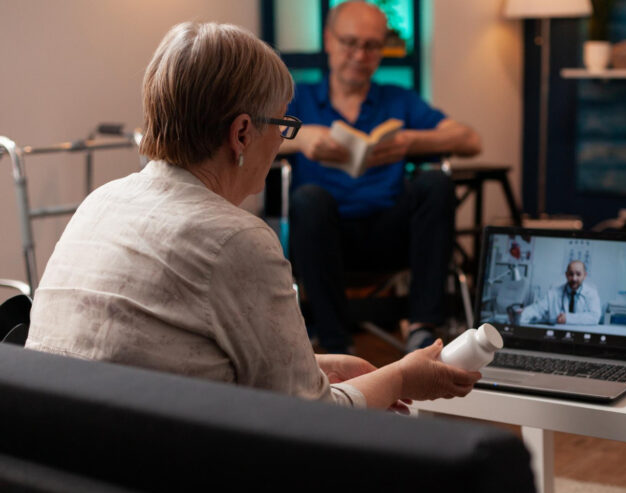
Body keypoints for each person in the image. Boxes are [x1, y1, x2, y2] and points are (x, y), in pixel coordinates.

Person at [25, 21, 480, 411]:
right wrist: (401, 378)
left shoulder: (99, 202)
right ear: (242, 132)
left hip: (56, 462)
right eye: (283, 127)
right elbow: (311, 417)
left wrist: (314, 363)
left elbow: (171, 355)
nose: (282, 141)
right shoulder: (232, 237)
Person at [279, 1, 482, 354]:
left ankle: (421, 328)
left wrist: (410, 141)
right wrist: (303, 138)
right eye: (350, 42)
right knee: (308, 199)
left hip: (389, 233)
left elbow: (470, 140)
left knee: (435, 184)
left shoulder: (397, 100)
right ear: (329, 40)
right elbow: (246, 138)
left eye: (372, 45)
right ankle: (336, 343)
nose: (360, 55)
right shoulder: (298, 98)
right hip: (323, 236)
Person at [519, 260, 601, 325]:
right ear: (566, 275)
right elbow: (537, 309)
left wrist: (567, 318)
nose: (574, 278)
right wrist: (520, 315)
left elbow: (595, 317)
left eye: (578, 274)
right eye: (571, 274)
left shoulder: (591, 293)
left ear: (585, 275)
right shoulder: (553, 293)